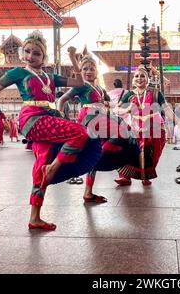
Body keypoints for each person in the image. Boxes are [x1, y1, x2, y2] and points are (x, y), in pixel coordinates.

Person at [0, 31, 102, 231]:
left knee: (40, 166)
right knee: (81, 133)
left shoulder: (50, 76)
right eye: (27, 51)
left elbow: (79, 83)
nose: (31, 56)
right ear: (21, 53)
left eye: (36, 53)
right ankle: (53, 168)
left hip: (49, 116)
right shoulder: (18, 73)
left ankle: (35, 217)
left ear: (43, 57)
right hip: (32, 118)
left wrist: (72, 58)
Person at [57, 48, 139, 201]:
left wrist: (107, 103)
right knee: (122, 132)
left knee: (99, 147)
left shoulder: (100, 89)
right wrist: (60, 114)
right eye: (85, 68)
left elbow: (109, 102)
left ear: (96, 71)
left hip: (102, 118)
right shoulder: (80, 85)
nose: (88, 71)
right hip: (90, 118)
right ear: (80, 71)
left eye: (92, 68)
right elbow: (62, 99)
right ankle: (98, 159)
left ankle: (88, 192)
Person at [115, 66, 176, 186]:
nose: (139, 78)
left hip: (154, 128)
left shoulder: (155, 93)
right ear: (133, 79)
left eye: (142, 76)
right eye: (137, 76)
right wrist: (127, 110)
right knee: (128, 149)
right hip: (135, 128)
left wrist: (177, 121)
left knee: (149, 152)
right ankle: (125, 177)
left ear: (148, 79)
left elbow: (166, 108)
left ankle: (145, 175)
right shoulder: (129, 94)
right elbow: (116, 109)